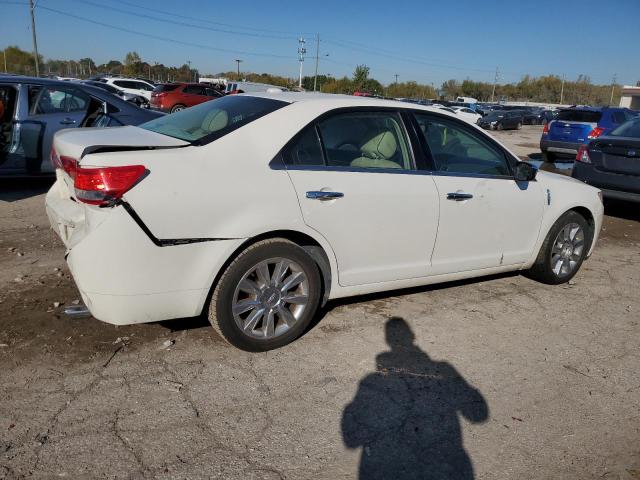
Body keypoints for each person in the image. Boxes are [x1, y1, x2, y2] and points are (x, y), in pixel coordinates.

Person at [342, 317, 488, 480]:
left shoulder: (370, 380)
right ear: (412, 336)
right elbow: (479, 414)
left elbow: (351, 439)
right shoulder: (444, 369)